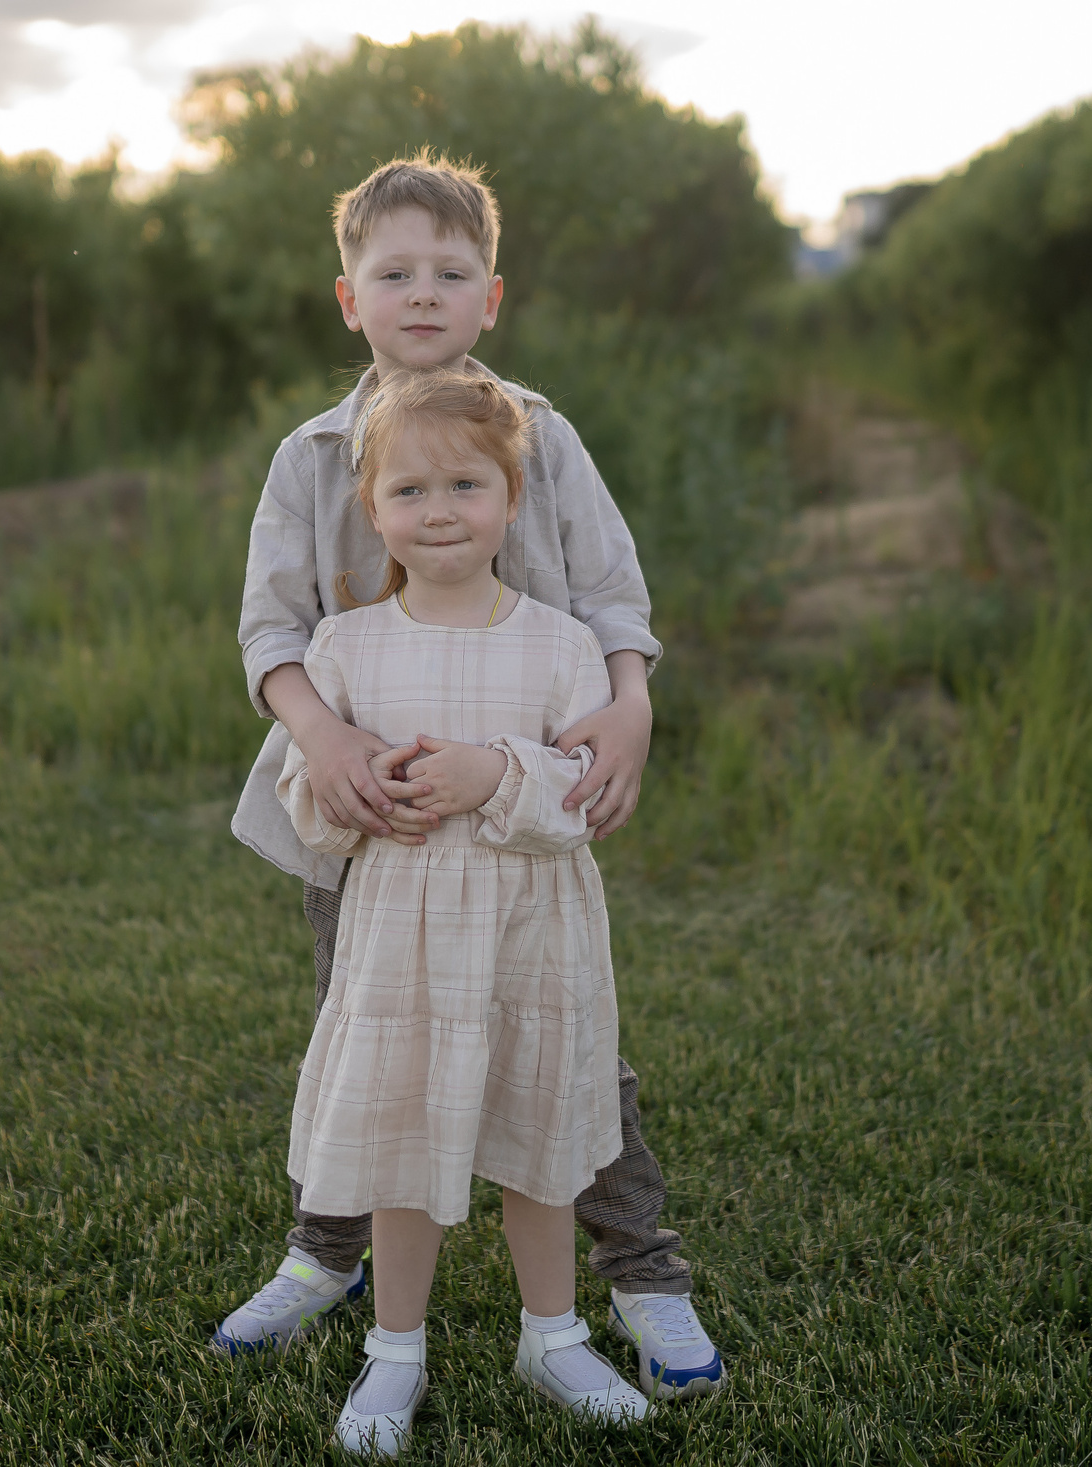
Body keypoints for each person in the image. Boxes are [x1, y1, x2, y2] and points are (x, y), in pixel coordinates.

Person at [221, 156, 726, 1409]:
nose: (422, 294)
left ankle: (640, 1269)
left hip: (523, 786)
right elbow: (271, 634)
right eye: (393, 273)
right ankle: (323, 1255)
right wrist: (321, 745)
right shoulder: (311, 454)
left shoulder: (537, 437)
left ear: (490, 297)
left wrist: (630, 706)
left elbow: (611, 595)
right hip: (370, 812)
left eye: (449, 273)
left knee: (567, 1049)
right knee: (362, 1030)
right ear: (350, 300)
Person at [279, 364, 649, 1453]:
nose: (438, 513)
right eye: (410, 493)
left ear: (511, 500)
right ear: (372, 510)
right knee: (403, 1137)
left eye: (465, 488)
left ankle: (554, 1332)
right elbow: (313, 809)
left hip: (533, 934)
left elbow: (583, 802)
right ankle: (394, 1349)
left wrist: (494, 776)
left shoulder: (558, 644)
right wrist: (360, 784)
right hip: (403, 944)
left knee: (536, 1135)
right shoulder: (345, 647)